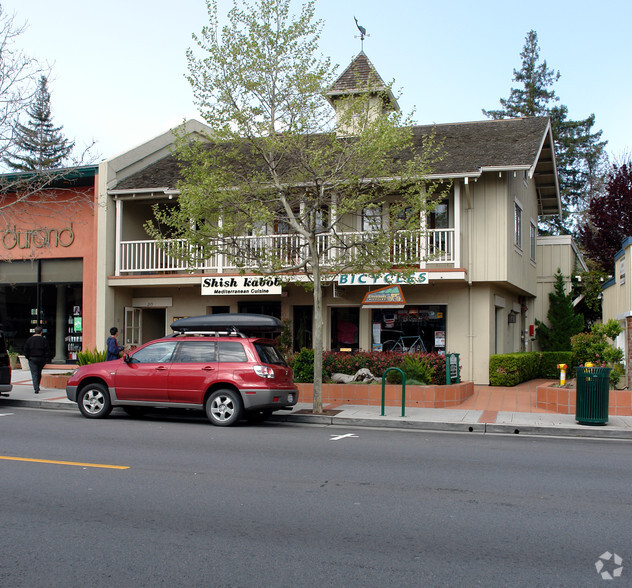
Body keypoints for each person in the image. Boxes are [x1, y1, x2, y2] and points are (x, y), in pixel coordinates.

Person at [24, 326, 50, 394]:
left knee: (34, 373)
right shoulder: (43, 340)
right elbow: (47, 350)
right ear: (41, 332)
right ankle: (37, 385)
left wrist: (28, 357)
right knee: (39, 372)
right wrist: (46, 358)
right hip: (41, 358)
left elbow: (26, 350)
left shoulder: (29, 340)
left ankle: (36, 388)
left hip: (32, 358)